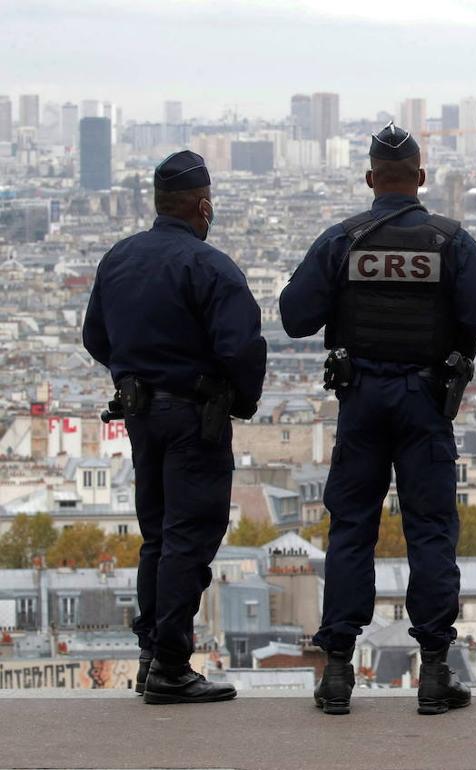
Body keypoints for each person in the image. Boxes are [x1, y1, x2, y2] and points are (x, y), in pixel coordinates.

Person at [280, 122, 476, 716]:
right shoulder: (449, 242)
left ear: (369, 180)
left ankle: (336, 674)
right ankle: (434, 673)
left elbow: (295, 316)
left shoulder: (343, 241)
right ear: (422, 180)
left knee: (351, 529)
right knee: (430, 532)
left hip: (360, 400)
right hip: (423, 402)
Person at [83, 150, 267, 705]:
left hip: (140, 414)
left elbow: (95, 337)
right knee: (189, 537)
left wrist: (134, 371)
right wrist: (239, 399)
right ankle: (170, 663)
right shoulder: (210, 268)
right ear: (202, 206)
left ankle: (149, 652)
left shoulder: (118, 259)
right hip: (194, 418)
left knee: (157, 535)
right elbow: (242, 348)